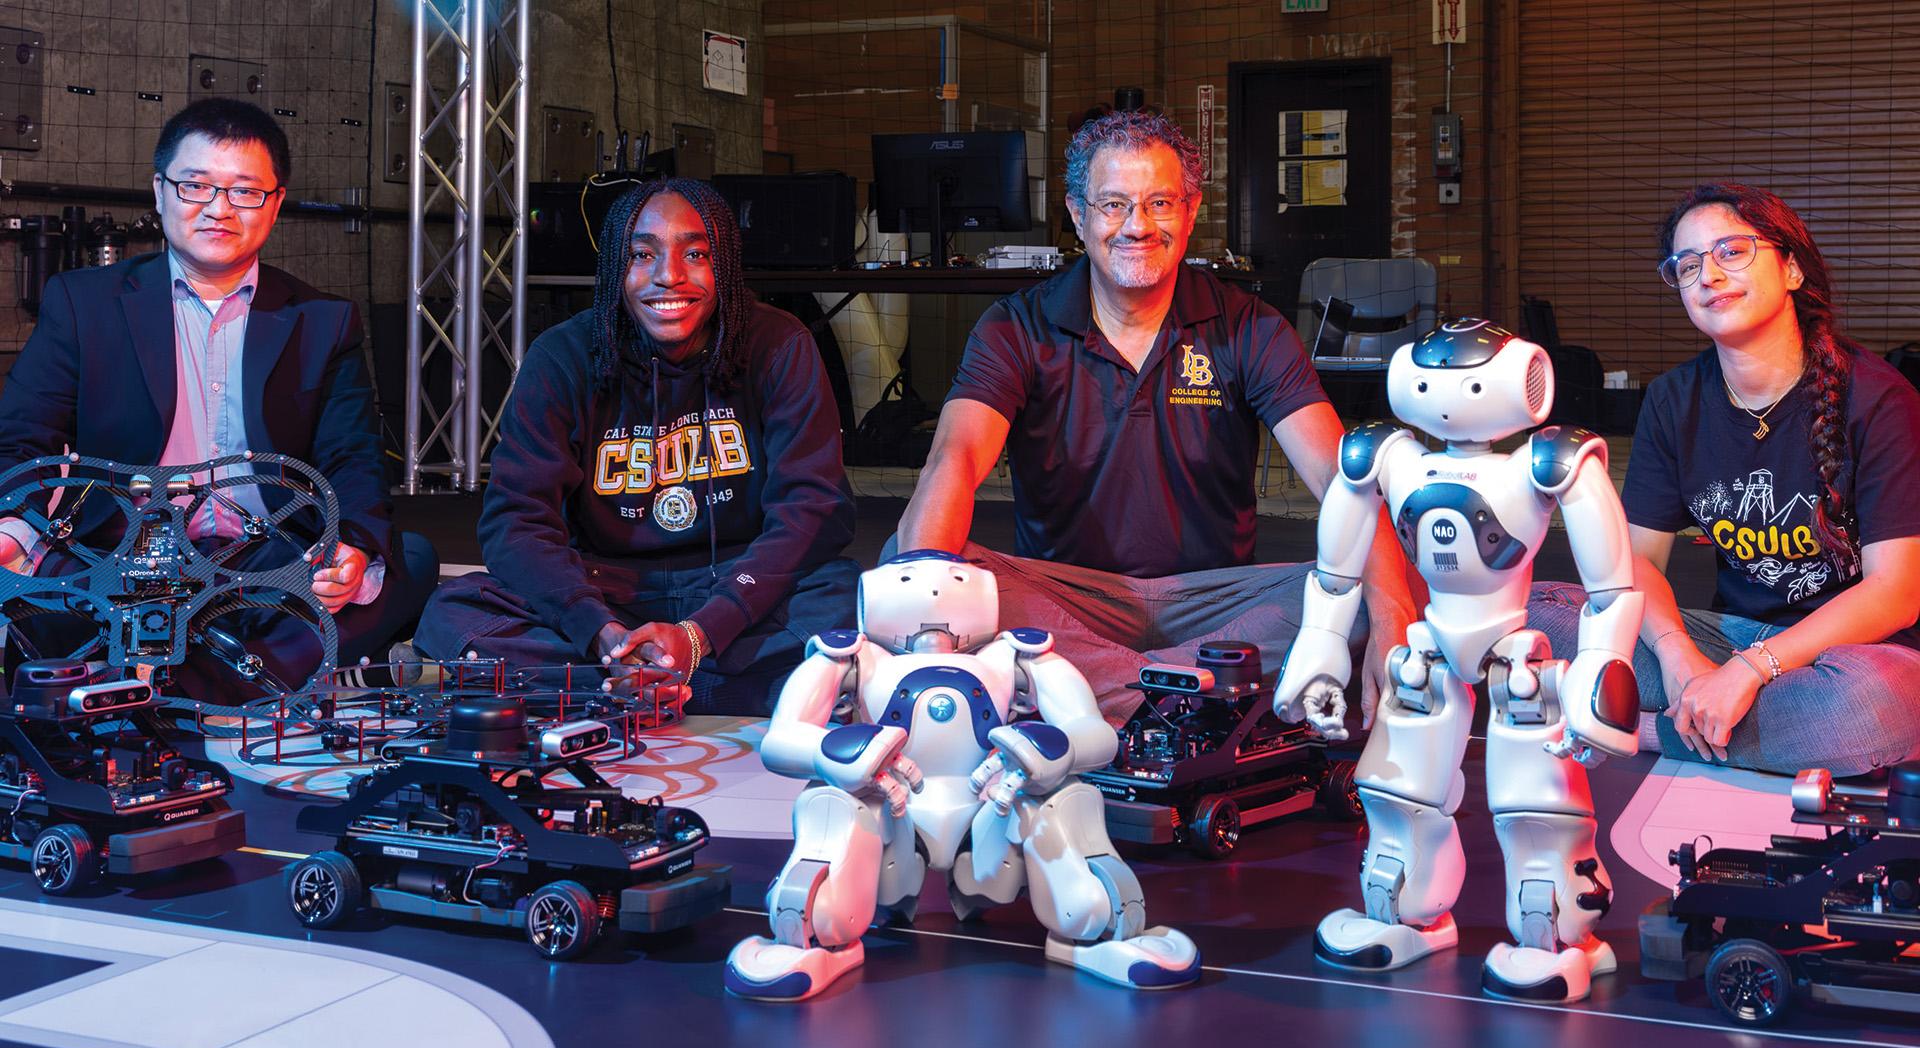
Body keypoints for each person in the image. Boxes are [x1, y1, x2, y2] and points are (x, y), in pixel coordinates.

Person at [896, 109, 1416, 722]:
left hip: (1218, 603)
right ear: (1078, 215)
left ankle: (1091, 692)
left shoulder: (1250, 326)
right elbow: (954, 460)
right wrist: (922, 605)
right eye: (1113, 204)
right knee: (912, 570)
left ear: (1191, 212)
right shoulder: (1015, 327)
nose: (1137, 225)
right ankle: (1190, 694)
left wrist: (1392, 618)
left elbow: (1338, 477)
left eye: (1160, 203)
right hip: (1067, 599)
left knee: (1394, 584)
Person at [0, 97, 437, 700]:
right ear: (160, 192)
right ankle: (241, 681)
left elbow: (352, 457)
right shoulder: (84, 302)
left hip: (266, 557)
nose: (218, 208)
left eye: (244, 192)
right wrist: (16, 527)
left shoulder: (323, 319)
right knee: (37, 584)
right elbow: (24, 439)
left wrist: (354, 548)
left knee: (407, 560)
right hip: (118, 555)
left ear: (275, 204)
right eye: (196, 186)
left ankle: (146, 683)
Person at [415, 178, 859, 715]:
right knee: (455, 612)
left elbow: (812, 509)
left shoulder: (778, 344)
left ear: (724, 265)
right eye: (642, 255)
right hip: (607, 591)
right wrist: (600, 633)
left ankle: (614, 691)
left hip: (740, 586)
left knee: (847, 597)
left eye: (695, 254)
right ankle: (729, 691)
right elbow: (516, 523)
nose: (669, 276)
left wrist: (700, 634)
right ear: (614, 269)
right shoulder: (563, 355)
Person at [1532, 182, 1920, 776]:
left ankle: (1643, 729)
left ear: (1791, 269)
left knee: (1869, 707)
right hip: (1726, 637)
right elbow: (1635, 563)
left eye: (1731, 252)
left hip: (1854, 655)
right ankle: (1723, 716)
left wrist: (1751, 670)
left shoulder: (1880, 400)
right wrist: (1679, 658)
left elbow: (1895, 591)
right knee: (1529, 615)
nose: (1708, 276)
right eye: (1688, 266)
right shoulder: (1673, 399)